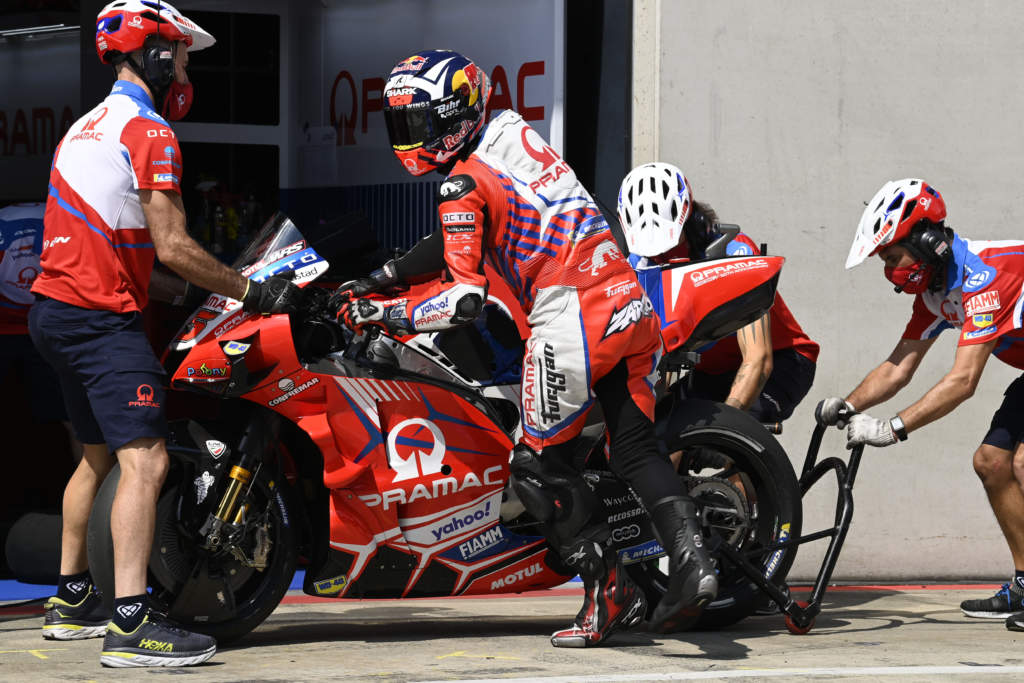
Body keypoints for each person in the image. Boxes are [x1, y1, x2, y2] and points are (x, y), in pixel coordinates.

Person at [332, 49, 718, 647]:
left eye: (417, 122)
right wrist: (385, 274)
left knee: (537, 467)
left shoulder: (461, 179)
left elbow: (462, 301)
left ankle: (607, 586)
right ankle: (694, 561)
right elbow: (469, 228)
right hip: (626, 297)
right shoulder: (511, 132)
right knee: (637, 449)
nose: (408, 137)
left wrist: (380, 310)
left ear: (454, 115)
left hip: (571, 313)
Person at [31, 0, 299, 667]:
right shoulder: (149, 131)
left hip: (54, 312)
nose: (184, 67)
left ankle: (72, 601)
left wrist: (177, 292)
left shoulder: (83, 129)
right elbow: (174, 245)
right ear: (153, 53)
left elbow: (106, 239)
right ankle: (131, 623)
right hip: (100, 319)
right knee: (147, 461)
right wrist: (249, 288)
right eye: (180, 53)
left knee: (97, 456)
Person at [817, 177, 1024, 632]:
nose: (888, 270)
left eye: (892, 257)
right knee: (992, 463)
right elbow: (899, 366)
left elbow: (964, 380)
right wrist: (847, 404)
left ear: (927, 242)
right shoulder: (935, 292)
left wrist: (892, 427)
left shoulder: (986, 276)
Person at [615, 163, 819, 427]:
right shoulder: (641, 263)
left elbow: (759, 358)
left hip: (784, 363)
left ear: (686, 220)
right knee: (665, 436)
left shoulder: (734, 251)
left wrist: (723, 431)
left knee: (732, 448)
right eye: (653, 253)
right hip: (712, 371)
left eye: (667, 247)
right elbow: (656, 358)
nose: (661, 258)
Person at [0, 202, 84, 461]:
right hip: (51, 321)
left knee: (77, 419)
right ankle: (95, 495)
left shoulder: (75, 225)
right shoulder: (77, 225)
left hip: (51, 323)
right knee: (77, 421)